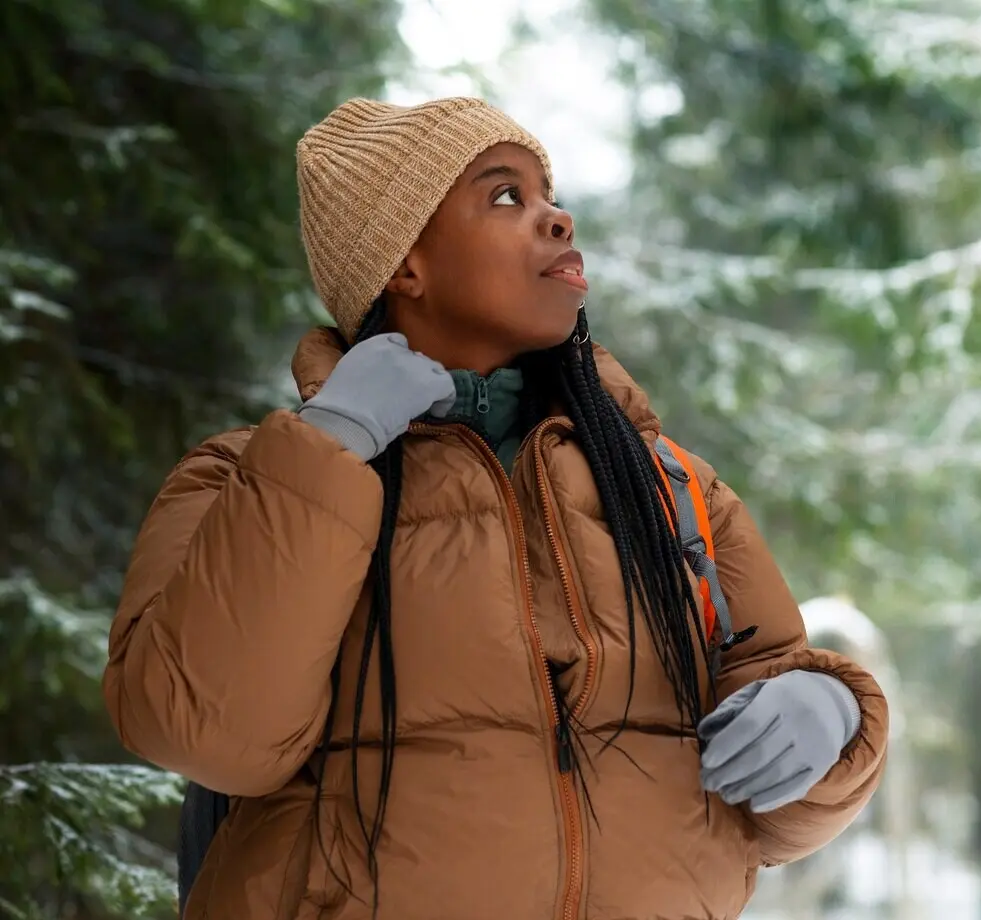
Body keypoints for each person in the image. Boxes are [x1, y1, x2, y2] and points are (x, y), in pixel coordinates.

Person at [102, 96, 888, 920]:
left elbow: (770, 810)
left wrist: (831, 716)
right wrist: (327, 447)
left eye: (550, 194)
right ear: (405, 266)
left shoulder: (670, 487)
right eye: (506, 196)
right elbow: (208, 733)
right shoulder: (247, 481)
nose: (557, 218)